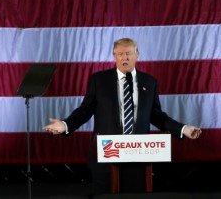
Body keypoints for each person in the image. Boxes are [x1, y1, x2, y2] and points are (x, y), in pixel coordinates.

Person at [44, 38, 202, 193]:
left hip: (138, 157)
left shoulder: (149, 82)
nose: (124, 58)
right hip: (105, 155)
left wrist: (183, 128)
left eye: (128, 53)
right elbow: (84, 111)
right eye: (119, 54)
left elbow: (156, 116)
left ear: (137, 55)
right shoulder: (99, 80)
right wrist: (65, 125)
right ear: (114, 57)